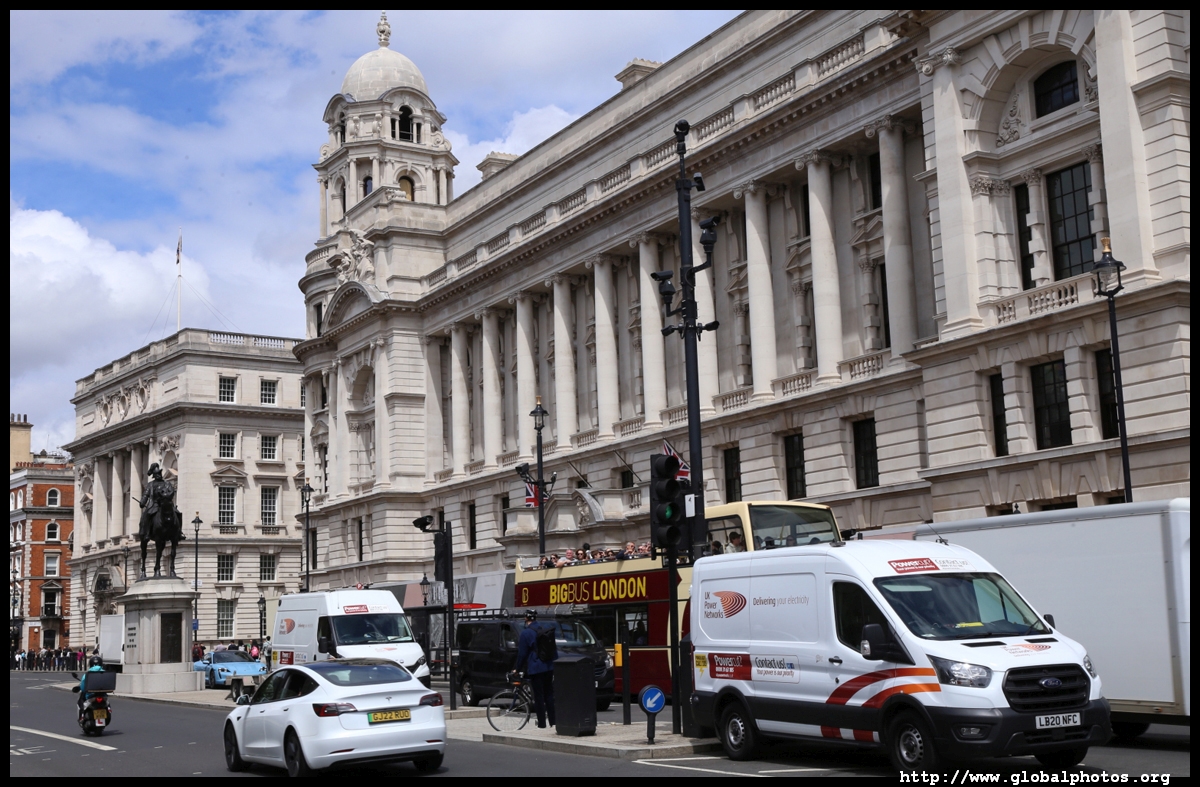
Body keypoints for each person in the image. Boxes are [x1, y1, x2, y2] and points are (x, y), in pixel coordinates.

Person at [516, 611, 557, 728]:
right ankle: (553, 722)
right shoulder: (545, 629)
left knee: (539, 696)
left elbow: (522, 654)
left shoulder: (526, 633)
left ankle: (542, 723)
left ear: (526, 618)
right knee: (549, 695)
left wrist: (517, 669)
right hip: (548, 666)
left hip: (536, 667)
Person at [78, 654, 105, 718]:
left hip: (90, 695)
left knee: (81, 700)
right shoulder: (105, 673)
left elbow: (83, 687)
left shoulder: (87, 674)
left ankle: (82, 715)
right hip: (103, 694)